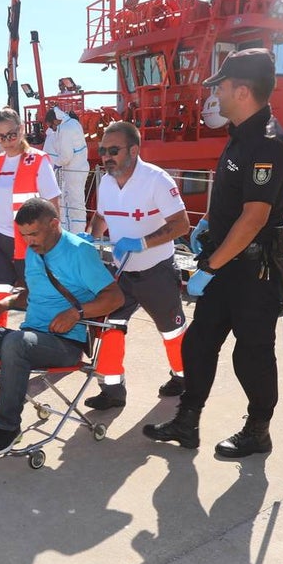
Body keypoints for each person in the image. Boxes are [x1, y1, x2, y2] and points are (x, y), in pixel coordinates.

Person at [143, 48, 283, 457]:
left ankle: (258, 431)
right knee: (198, 343)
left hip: (253, 272)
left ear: (242, 90)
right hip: (226, 262)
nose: (216, 95)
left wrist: (209, 265)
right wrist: (209, 228)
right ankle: (187, 422)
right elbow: (229, 201)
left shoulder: (267, 144)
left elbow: (254, 218)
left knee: (252, 355)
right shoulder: (240, 137)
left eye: (221, 87)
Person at [0, 197, 124, 455]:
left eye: (34, 234)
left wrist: (77, 313)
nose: (29, 241)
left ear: (54, 224)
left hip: (65, 343)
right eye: (23, 235)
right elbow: (34, 294)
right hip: (31, 338)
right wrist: (8, 302)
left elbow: (115, 297)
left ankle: (8, 427)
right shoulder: (34, 253)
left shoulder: (78, 252)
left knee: (16, 343)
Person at [84, 121, 190, 409]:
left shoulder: (157, 180)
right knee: (110, 325)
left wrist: (141, 243)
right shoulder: (106, 181)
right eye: (103, 150)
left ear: (133, 149)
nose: (106, 156)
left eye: (113, 150)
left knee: (171, 329)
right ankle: (112, 390)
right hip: (122, 272)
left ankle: (183, 378)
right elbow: (101, 216)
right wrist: (90, 238)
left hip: (156, 270)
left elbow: (181, 225)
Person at [0, 107, 61, 327]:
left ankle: (47, 348)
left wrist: (53, 241)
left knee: (38, 299)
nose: (6, 141)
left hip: (29, 244)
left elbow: (53, 203)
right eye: (0, 136)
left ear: (22, 130)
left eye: (11, 135)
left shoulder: (38, 161)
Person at [46, 106, 89, 234]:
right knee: (77, 203)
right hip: (81, 168)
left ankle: (75, 234)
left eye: (51, 126)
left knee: (72, 204)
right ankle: (78, 232)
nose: (52, 129)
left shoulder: (64, 129)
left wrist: (55, 165)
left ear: (55, 121)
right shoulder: (74, 123)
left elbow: (66, 156)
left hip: (72, 171)